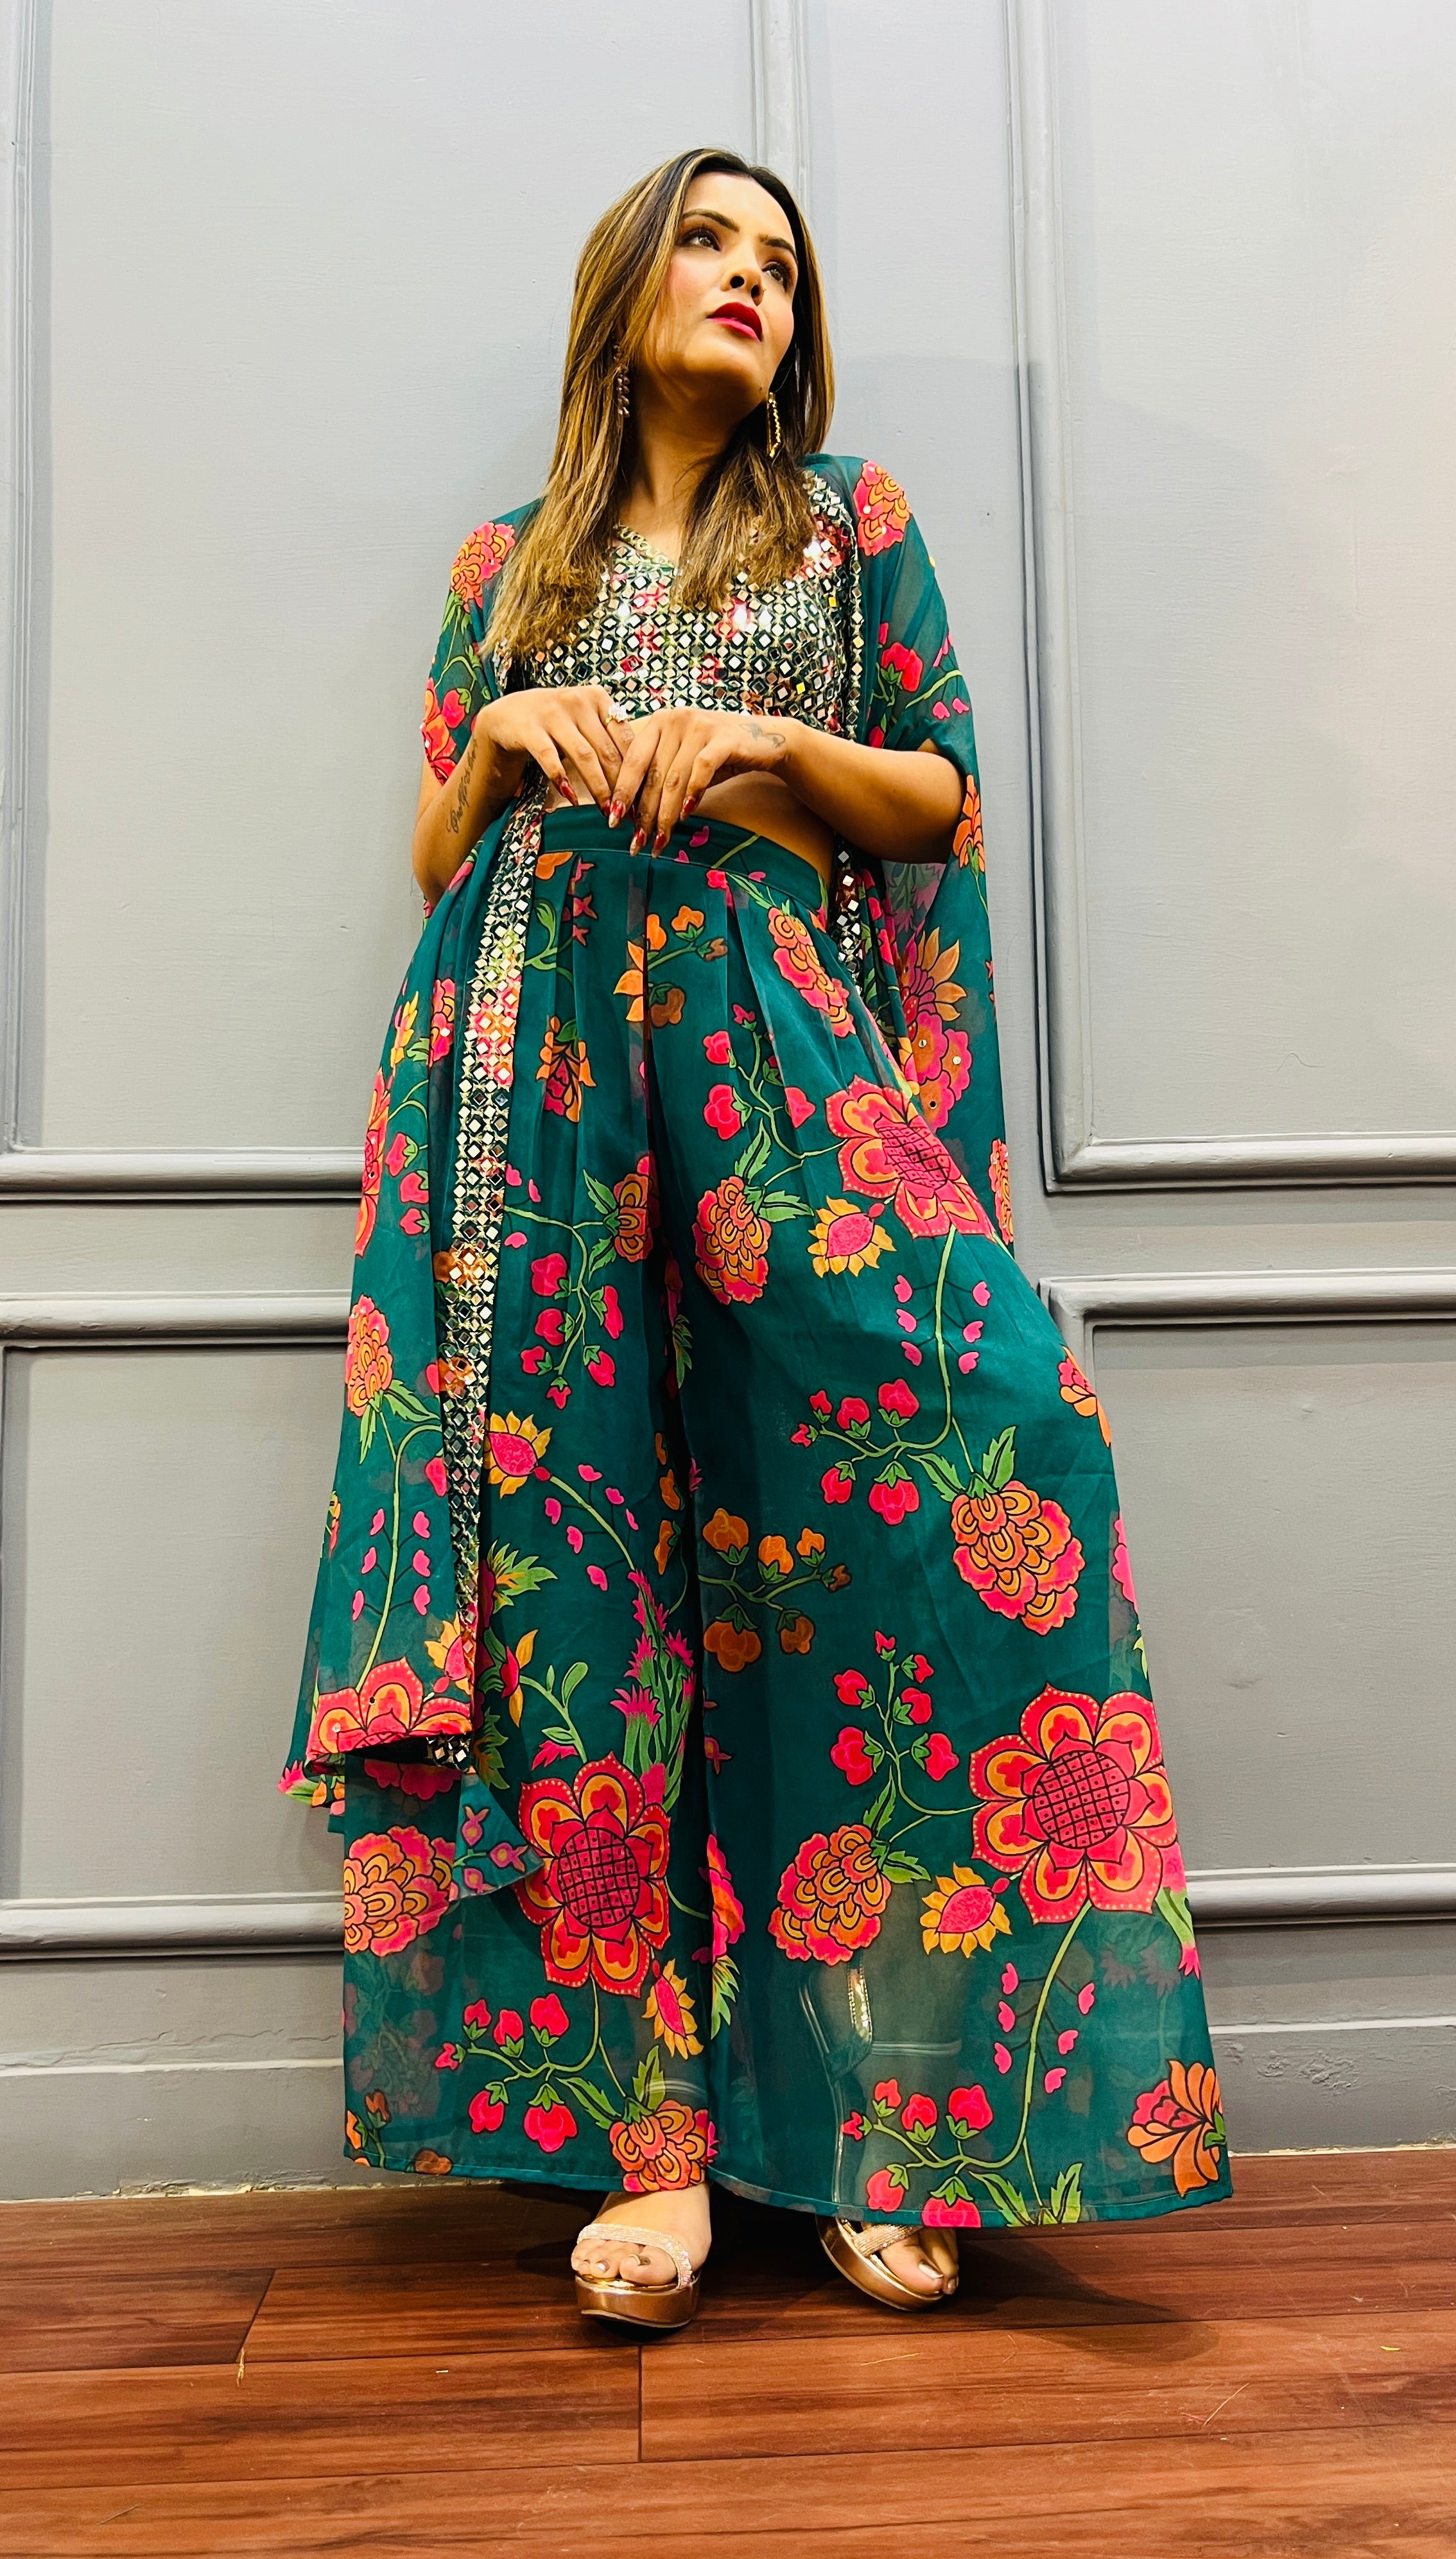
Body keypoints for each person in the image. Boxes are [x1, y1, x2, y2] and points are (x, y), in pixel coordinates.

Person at [282, 146, 1228, 2333]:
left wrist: (771, 743)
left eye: (780, 263)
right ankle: (655, 2152)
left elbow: (942, 802)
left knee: (972, 1465)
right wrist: (500, 735)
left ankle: (894, 2128)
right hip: (526, 1082)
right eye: (710, 244)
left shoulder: (847, 525)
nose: (750, 282)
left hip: (776, 1055)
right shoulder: (504, 563)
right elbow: (434, 851)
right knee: (577, 1573)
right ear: (625, 280)